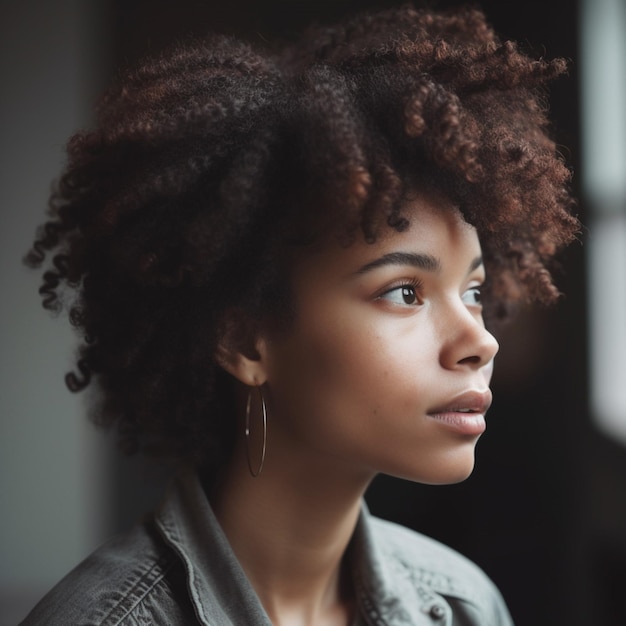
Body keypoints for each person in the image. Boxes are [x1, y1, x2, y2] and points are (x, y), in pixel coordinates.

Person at [21, 4, 579, 625]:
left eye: (473, 291)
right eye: (405, 293)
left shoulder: (462, 606)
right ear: (246, 340)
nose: (479, 342)